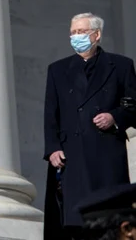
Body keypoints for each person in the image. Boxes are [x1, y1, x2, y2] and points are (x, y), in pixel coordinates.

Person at [44, 13, 136, 236]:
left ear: (96, 34)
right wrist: (53, 148)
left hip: (107, 155)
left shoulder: (122, 66)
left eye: (81, 32)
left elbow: (134, 106)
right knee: (75, 222)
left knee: (109, 221)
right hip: (71, 155)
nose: (76, 36)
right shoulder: (57, 70)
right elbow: (50, 114)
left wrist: (114, 117)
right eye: (73, 32)